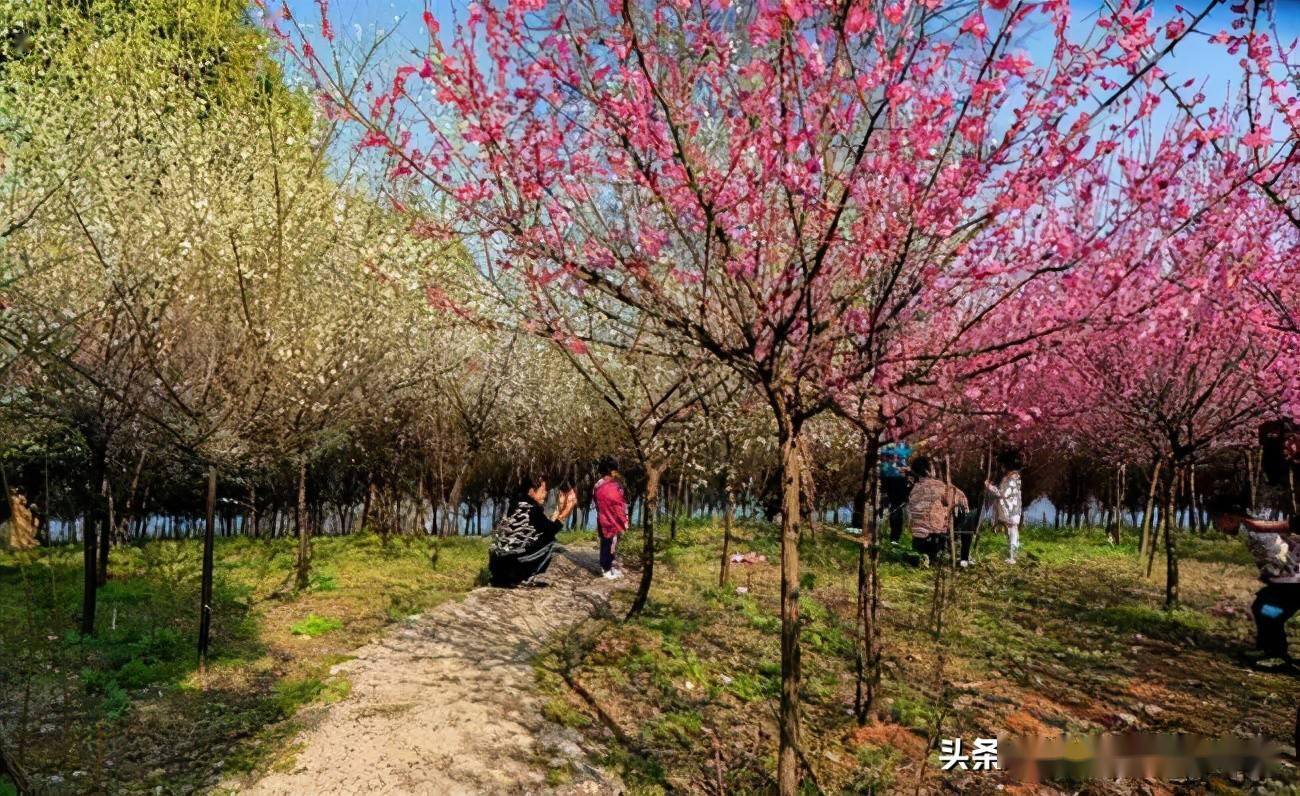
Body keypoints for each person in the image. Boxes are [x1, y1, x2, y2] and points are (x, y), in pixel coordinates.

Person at [488, 474, 577, 588]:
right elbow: (551, 530)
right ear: (531, 491)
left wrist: (559, 509)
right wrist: (567, 508)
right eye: (543, 490)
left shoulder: (513, 503)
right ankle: (527, 576)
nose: (545, 495)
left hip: (496, 565)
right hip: (512, 569)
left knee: (541, 537)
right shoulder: (531, 509)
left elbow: (543, 526)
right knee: (551, 543)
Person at [906, 456, 968, 567]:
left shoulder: (913, 490)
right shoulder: (940, 487)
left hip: (917, 537)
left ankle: (923, 557)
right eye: (933, 468)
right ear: (927, 471)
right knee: (959, 513)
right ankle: (950, 553)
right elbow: (962, 500)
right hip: (936, 537)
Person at [592, 457, 629, 579]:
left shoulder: (598, 484)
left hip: (602, 518)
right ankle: (606, 569)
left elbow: (597, 503)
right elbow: (619, 504)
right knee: (609, 544)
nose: (616, 473)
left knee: (607, 543)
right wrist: (624, 520)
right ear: (611, 471)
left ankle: (608, 567)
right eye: (615, 470)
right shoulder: (613, 487)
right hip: (611, 520)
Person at [986, 450, 1024, 563]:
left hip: (1011, 510)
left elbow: (1003, 494)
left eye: (1002, 466)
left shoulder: (1012, 479)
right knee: (1011, 531)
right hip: (1011, 509)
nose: (1001, 468)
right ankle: (1012, 554)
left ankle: (1012, 556)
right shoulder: (1012, 478)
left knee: (1012, 530)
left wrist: (989, 487)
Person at [879, 439, 913, 543]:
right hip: (894, 489)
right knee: (895, 512)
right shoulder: (888, 466)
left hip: (898, 491)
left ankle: (894, 537)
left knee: (896, 512)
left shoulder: (901, 466)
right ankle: (893, 537)